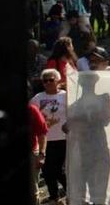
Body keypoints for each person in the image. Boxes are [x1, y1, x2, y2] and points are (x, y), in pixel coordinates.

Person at [31, 69, 68, 203]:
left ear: (58, 80)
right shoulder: (38, 98)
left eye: (50, 80)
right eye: (44, 80)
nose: (47, 83)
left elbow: (73, 113)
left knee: (59, 170)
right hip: (45, 140)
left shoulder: (65, 96)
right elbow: (31, 115)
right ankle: (54, 196)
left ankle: (70, 192)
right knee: (46, 171)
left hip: (63, 138)